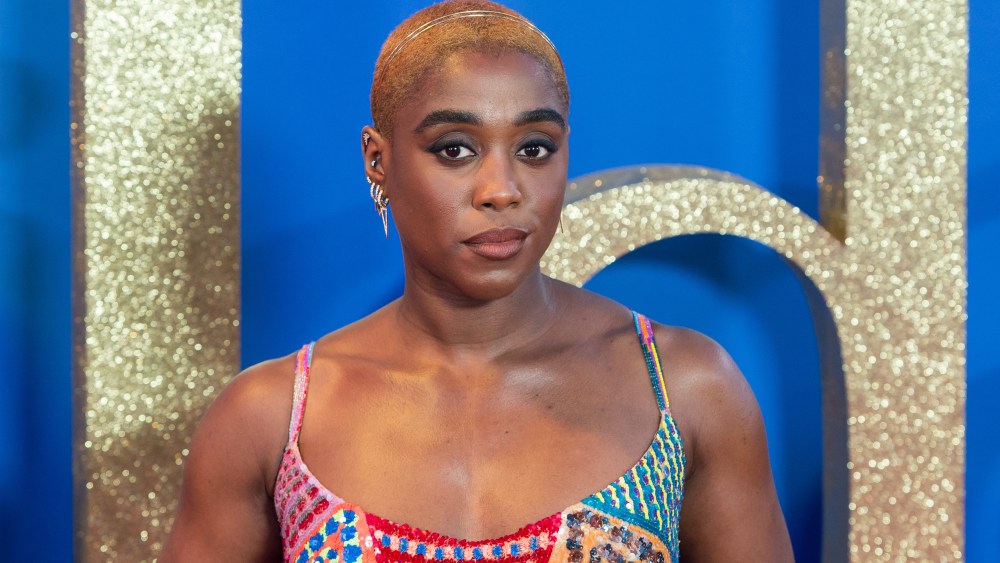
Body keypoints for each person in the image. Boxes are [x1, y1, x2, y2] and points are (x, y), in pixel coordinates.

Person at [161, 1, 794, 561]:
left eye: (535, 147)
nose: (502, 190)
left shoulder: (687, 390)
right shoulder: (271, 420)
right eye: (456, 148)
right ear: (377, 159)